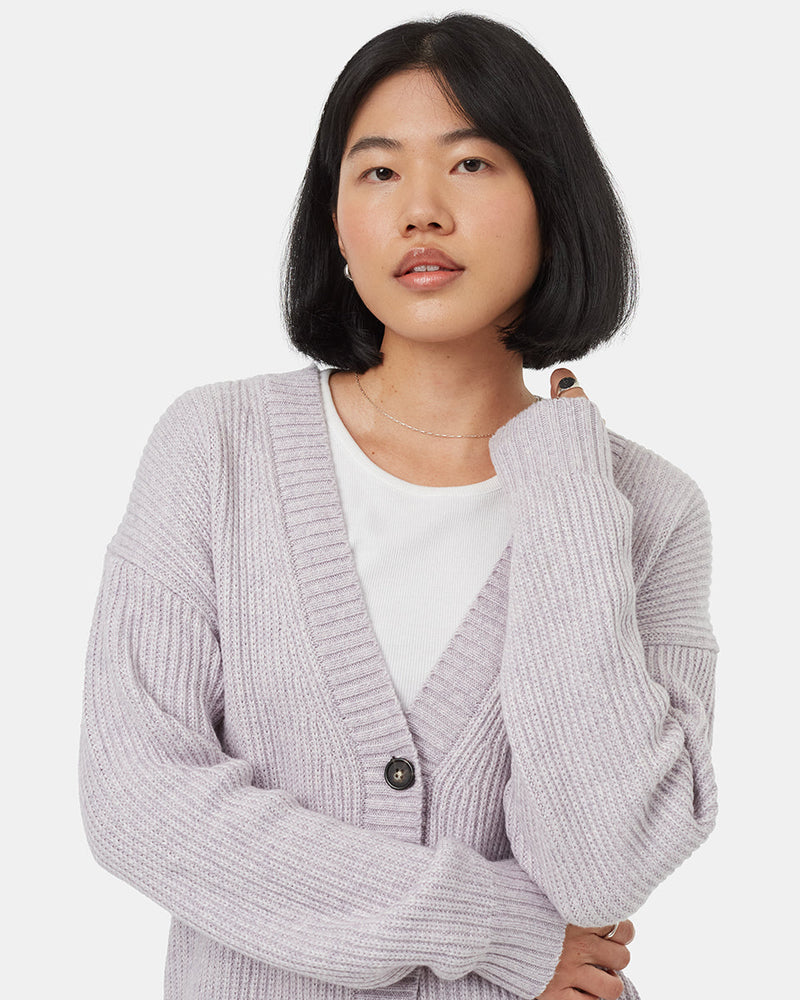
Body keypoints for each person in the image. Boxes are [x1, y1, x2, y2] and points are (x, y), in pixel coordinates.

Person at [78, 13, 719, 1000]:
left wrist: (565, 484)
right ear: (336, 227)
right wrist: (492, 926)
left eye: (470, 165)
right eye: (378, 171)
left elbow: (599, 862)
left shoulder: (647, 511)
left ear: (553, 203)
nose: (421, 210)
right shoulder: (216, 448)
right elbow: (135, 801)